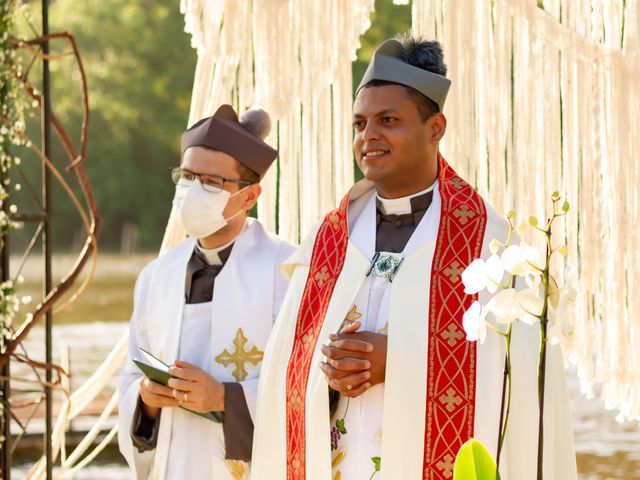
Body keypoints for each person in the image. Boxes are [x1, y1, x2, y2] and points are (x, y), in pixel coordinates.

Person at [251, 35, 577, 480]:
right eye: (359, 124)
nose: (369, 136)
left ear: (436, 128)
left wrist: (399, 360)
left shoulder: (493, 247)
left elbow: (520, 381)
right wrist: (324, 369)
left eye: (389, 120)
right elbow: (282, 374)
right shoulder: (328, 240)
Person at [118, 104, 295, 480]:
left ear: (249, 196)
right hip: (174, 464)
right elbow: (130, 379)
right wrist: (146, 400)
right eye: (186, 176)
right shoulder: (156, 277)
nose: (192, 190)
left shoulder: (289, 272)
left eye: (211, 182)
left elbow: (308, 391)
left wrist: (224, 399)